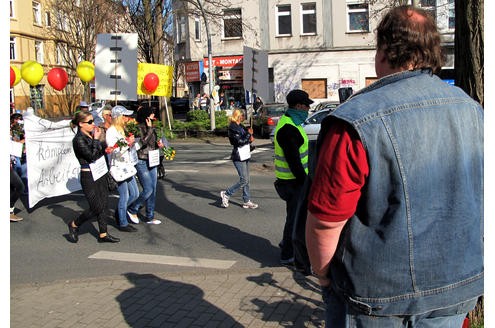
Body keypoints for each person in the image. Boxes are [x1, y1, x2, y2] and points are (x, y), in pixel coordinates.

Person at [305, 6, 483, 327]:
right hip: (456, 291)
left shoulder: (354, 120)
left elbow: (325, 222)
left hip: (376, 302)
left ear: (384, 51)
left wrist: (323, 275)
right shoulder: (474, 112)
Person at [273, 89, 312, 265]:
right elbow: (294, 161)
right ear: (298, 106)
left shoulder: (289, 122)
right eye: (306, 106)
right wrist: (306, 183)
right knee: (296, 220)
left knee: (293, 217)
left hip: (290, 182)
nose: (307, 110)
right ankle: (288, 254)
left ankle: (286, 244)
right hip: (293, 183)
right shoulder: (288, 129)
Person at [69, 111, 120, 243]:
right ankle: (74, 224)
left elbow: (98, 153)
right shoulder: (78, 139)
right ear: (81, 124)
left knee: (104, 204)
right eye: (90, 122)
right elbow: (91, 156)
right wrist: (96, 140)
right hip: (88, 176)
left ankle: (103, 233)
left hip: (100, 172)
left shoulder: (91, 136)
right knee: (96, 206)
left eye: (93, 121)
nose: (93, 124)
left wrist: (104, 148)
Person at [127, 106, 164, 225]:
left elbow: (151, 144)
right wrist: (149, 130)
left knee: (153, 190)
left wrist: (159, 145)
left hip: (152, 159)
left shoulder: (151, 128)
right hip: (141, 160)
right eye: (151, 113)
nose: (153, 115)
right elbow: (141, 143)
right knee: (148, 189)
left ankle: (150, 216)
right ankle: (132, 208)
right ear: (146, 116)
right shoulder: (138, 128)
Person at [106, 105, 140, 232]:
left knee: (135, 193)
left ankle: (120, 212)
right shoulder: (111, 131)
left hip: (127, 166)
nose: (127, 118)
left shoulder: (122, 130)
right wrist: (127, 144)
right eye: (125, 116)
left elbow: (129, 147)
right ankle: (122, 222)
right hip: (118, 168)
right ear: (119, 117)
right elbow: (112, 151)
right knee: (124, 196)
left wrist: (132, 144)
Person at [220, 109, 258, 209]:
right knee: (244, 179)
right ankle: (227, 193)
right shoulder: (232, 127)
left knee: (247, 180)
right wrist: (248, 134)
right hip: (238, 156)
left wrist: (250, 138)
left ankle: (246, 200)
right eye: (242, 116)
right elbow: (239, 142)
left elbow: (245, 139)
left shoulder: (240, 126)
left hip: (245, 154)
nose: (243, 118)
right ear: (238, 116)